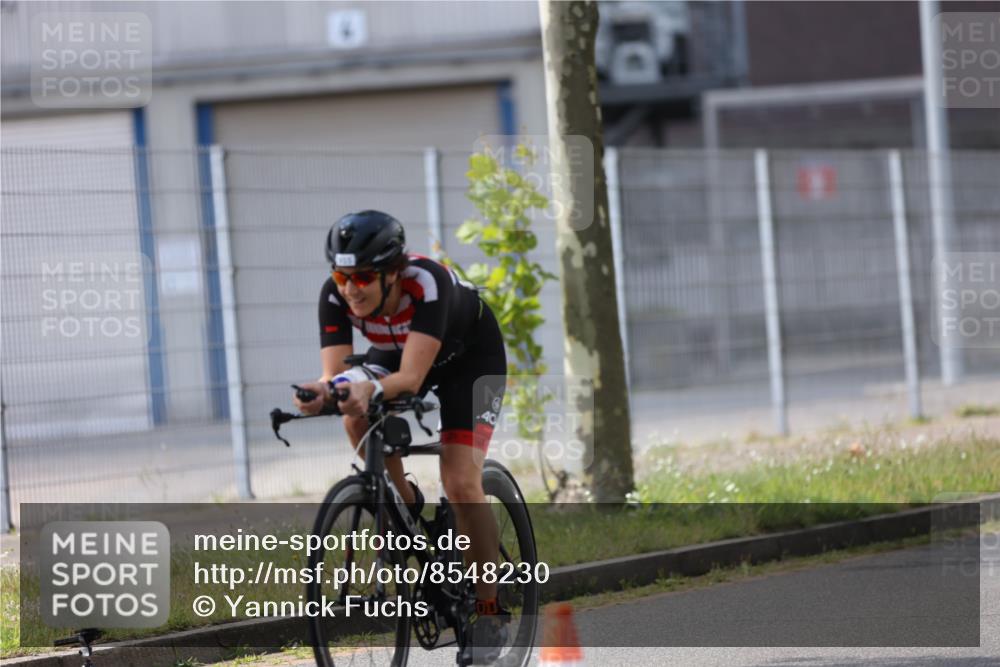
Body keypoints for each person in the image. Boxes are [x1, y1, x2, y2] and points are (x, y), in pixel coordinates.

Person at [293, 210, 510, 664]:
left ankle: (489, 609)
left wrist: (366, 387)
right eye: (341, 275)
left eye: (363, 277)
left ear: (393, 273)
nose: (350, 288)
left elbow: (411, 378)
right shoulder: (336, 295)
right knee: (351, 414)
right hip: (398, 352)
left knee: (461, 483)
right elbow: (334, 376)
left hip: (469, 360)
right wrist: (321, 392)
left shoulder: (426, 283)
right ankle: (402, 503)